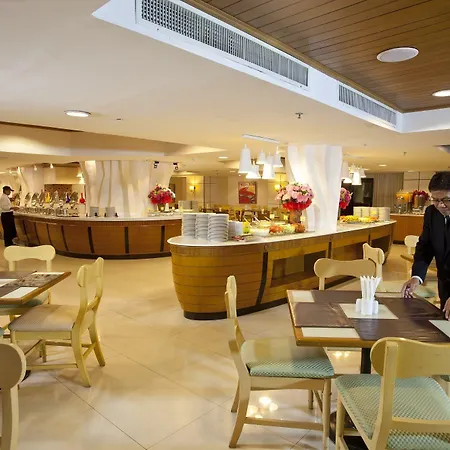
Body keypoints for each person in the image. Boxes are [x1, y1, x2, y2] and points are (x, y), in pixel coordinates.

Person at [402, 172, 450, 319]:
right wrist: (417, 276)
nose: (441, 205)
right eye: (435, 200)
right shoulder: (431, 213)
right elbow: (425, 246)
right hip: (445, 285)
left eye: (446, 200)